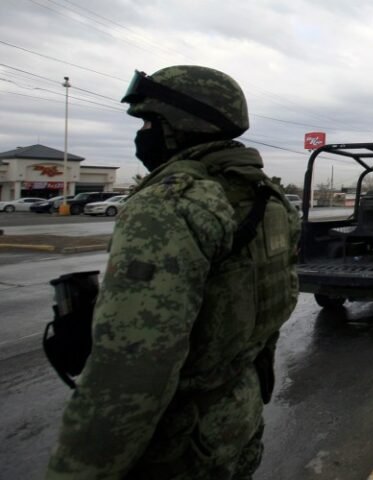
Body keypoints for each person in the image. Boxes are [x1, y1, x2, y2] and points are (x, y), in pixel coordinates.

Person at [46, 66, 299, 479]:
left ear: (180, 126)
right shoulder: (270, 200)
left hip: (178, 444)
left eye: (149, 121)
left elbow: (132, 371)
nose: (143, 133)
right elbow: (270, 308)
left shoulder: (170, 204)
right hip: (237, 421)